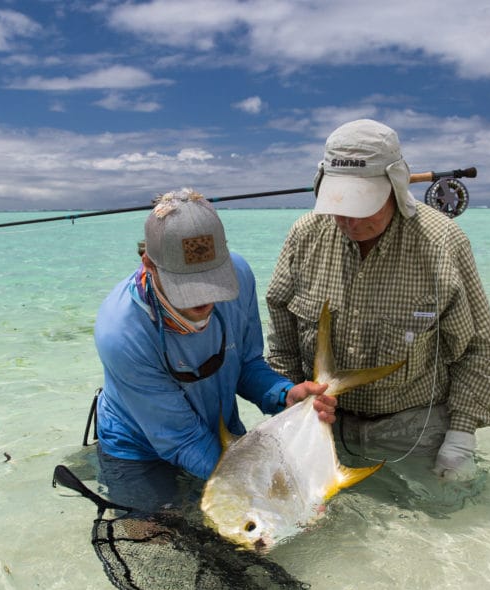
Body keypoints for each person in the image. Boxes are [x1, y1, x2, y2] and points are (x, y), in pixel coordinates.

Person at [265, 119, 490, 512]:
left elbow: (482, 350)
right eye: (340, 207)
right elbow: (282, 339)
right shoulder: (304, 236)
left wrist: (461, 436)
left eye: (364, 206)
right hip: (323, 428)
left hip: (412, 430)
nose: (351, 221)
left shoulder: (443, 242)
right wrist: (291, 415)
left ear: (397, 184)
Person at [94, 187, 335, 516]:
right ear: (149, 264)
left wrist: (285, 394)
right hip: (139, 450)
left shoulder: (239, 275)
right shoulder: (120, 331)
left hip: (219, 433)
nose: (204, 298)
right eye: (188, 285)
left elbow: (247, 364)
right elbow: (181, 440)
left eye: (212, 279)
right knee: (154, 541)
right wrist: (265, 494)